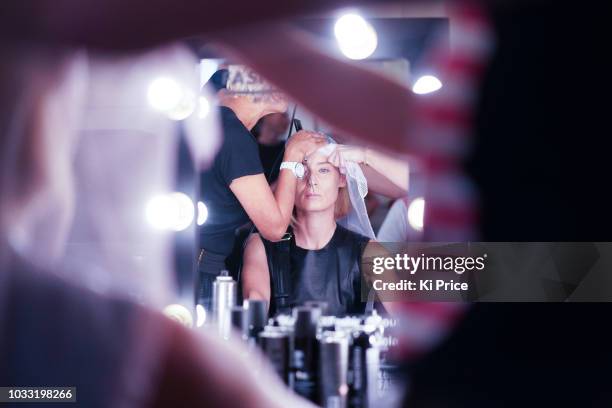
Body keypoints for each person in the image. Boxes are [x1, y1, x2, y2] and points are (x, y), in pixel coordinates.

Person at [196, 66, 326, 309]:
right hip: (198, 272)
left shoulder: (223, 126)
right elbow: (275, 228)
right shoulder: (233, 135)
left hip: (202, 265)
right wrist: (292, 156)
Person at [242, 138, 385, 317]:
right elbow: (255, 308)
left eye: (323, 170)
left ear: (341, 179)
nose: (312, 181)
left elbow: (414, 311)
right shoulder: (260, 245)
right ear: (288, 179)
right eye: (301, 170)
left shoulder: (370, 250)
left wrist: (366, 154)